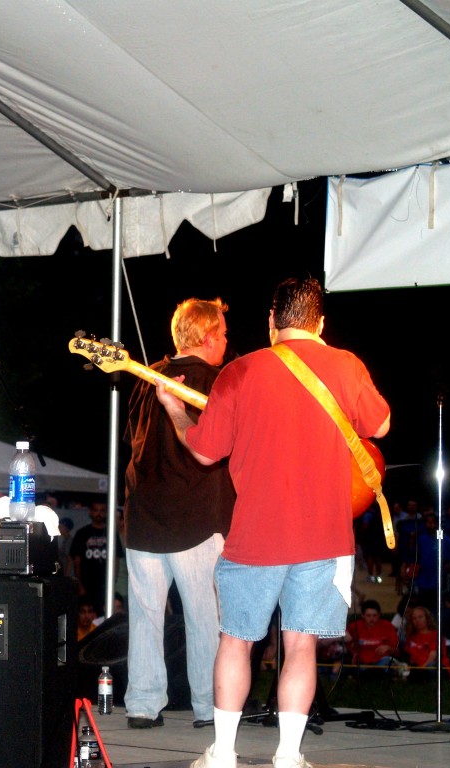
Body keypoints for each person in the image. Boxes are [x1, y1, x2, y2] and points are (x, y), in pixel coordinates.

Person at [155, 277, 390, 768]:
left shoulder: (240, 371)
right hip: (325, 538)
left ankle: (222, 753)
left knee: (236, 641)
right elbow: (382, 425)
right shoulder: (346, 365)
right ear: (320, 323)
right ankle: (288, 755)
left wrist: (176, 411)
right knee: (300, 644)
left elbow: (205, 452)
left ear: (271, 321)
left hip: (255, 536)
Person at [122, 298, 235, 729]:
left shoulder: (148, 376)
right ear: (207, 337)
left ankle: (142, 704)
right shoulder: (219, 382)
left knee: (145, 614)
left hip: (144, 514)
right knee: (204, 616)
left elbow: (134, 439)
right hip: (196, 515)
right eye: (223, 333)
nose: (226, 341)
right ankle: (208, 707)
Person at [70, 501, 110, 609]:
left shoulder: (111, 533)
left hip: (105, 584)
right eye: (96, 510)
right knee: (85, 612)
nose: (99, 514)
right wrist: (79, 584)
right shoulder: (82, 533)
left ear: (106, 513)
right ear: (90, 512)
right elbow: (76, 561)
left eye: (102, 511)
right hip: (86, 583)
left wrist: (113, 582)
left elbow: (116, 559)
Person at [345, 599, 399, 669]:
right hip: (362, 663)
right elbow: (346, 645)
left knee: (387, 662)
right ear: (362, 615)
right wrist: (353, 653)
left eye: (375, 615)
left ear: (379, 615)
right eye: (368, 615)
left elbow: (397, 651)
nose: (372, 619)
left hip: (382, 662)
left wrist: (389, 648)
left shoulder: (388, 626)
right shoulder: (354, 626)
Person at [403, 605, 450, 678]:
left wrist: (422, 668)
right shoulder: (411, 637)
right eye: (414, 618)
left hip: (435, 665)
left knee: (432, 666)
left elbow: (433, 655)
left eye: (420, 617)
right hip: (417, 667)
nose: (417, 620)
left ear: (427, 618)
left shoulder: (435, 635)